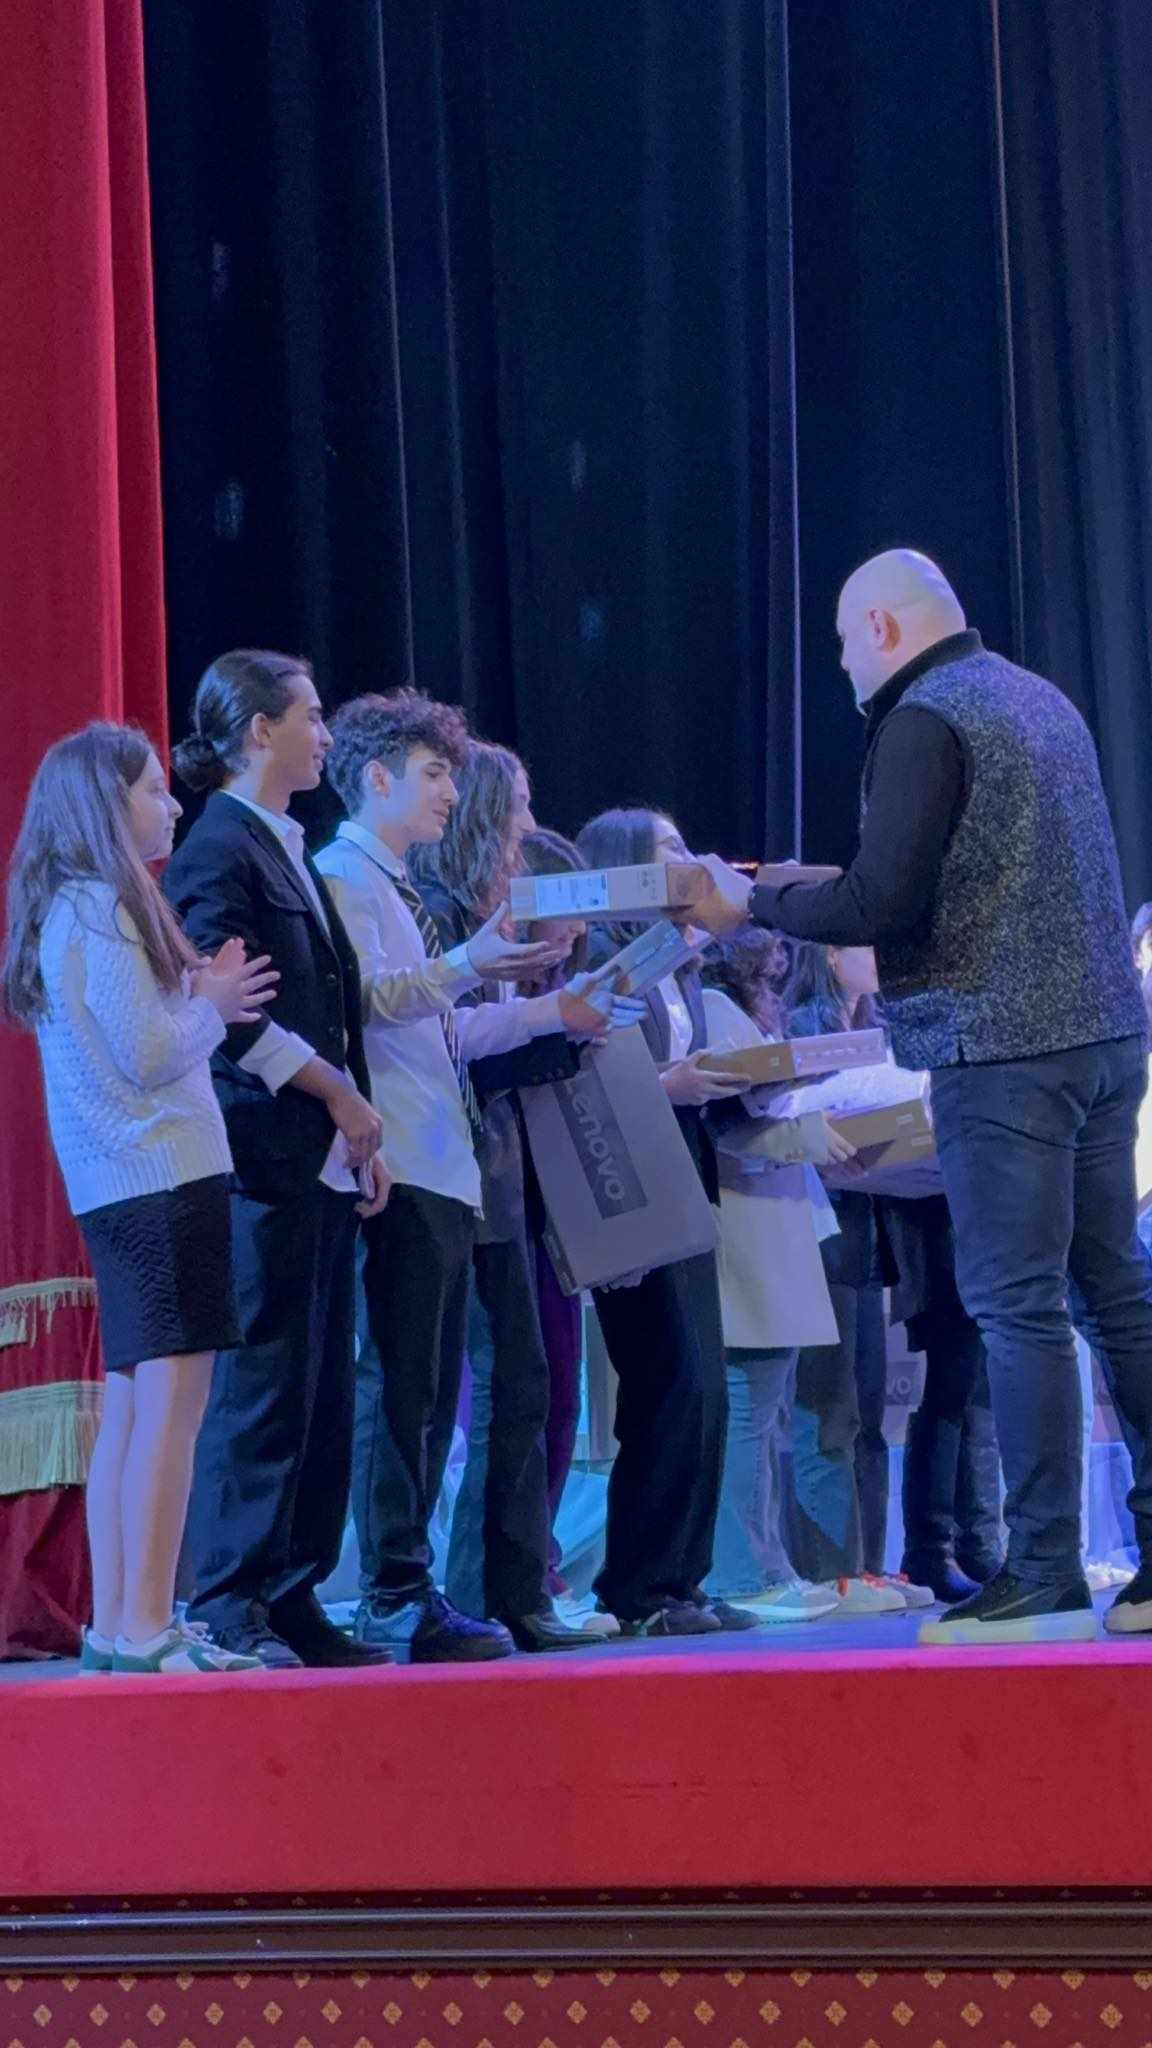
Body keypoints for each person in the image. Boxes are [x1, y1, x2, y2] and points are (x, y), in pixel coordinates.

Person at [690, 547, 1152, 1644]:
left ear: (884, 630)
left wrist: (745, 907)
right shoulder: (1040, 700)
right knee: (1113, 1296)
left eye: (844, 641)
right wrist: (770, 884)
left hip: (1002, 1050)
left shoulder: (921, 717)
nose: (844, 663)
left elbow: (879, 902)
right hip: (1103, 1038)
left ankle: (1042, 1570)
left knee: (1018, 1305)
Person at [316, 705, 606, 1659]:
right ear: (378, 780)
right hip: (401, 1154)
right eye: (434, 773)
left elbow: (443, 1028)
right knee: (403, 1388)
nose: (451, 789)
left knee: (440, 1392)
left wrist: (539, 1007)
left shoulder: (396, 886)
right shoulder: (343, 875)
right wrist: (469, 963)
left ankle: (429, 1590)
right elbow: (363, 1001)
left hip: (446, 1156)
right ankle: (393, 1593)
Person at [2, 723, 279, 1675]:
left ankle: (123, 1622)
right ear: (106, 804)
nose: (171, 803)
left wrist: (194, 994)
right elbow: (150, 1054)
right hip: (158, 1177)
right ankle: (146, 1623)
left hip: (125, 1184)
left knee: (134, 1403)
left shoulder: (69, 906)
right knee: (168, 1407)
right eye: (154, 790)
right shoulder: (102, 905)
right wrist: (217, 1003)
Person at [164, 650, 392, 1670]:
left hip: (317, 1156)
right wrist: (338, 1094)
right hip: (263, 1157)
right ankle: (230, 1597)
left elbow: (324, 1003)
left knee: (319, 1387)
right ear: (260, 729)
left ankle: (294, 1590)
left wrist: (357, 1124)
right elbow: (230, 1013)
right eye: (311, 715)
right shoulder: (219, 847)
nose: (325, 735)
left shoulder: (282, 843)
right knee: (264, 1385)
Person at [574, 806, 759, 1637]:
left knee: (703, 1384)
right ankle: (639, 1586)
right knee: (665, 1375)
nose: (691, 857)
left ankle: (683, 1577)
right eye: (671, 847)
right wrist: (667, 1084)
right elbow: (584, 1075)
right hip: (626, 1184)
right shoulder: (599, 959)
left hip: (684, 1168)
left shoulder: (679, 961)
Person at [696, 928, 849, 1622]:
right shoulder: (712, 1007)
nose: (782, 954)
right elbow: (727, 1127)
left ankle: (764, 1563)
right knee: (749, 1410)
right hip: (746, 1223)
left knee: (767, 1410)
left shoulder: (744, 1010)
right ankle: (742, 1570)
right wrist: (807, 1135)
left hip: (775, 1219)